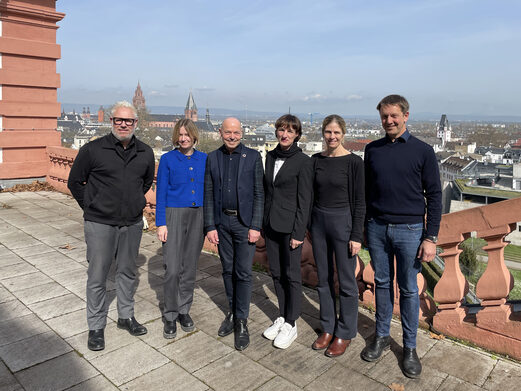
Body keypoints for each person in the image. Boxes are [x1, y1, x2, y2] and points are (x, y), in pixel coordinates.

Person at [362, 95, 442, 378]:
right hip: (377, 227)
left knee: (408, 289)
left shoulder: (423, 151)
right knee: (382, 283)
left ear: (406, 115)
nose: (389, 121)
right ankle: (382, 336)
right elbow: (367, 192)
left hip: (410, 231)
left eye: (394, 116)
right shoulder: (372, 150)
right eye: (384, 117)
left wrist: (430, 237)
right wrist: (364, 226)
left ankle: (409, 347)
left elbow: (434, 196)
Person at [68, 101, 155, 351]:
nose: (124, 124)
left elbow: (146, 183)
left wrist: (134, 202)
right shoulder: (93, 150)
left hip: (132, 223)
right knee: (97, 275)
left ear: (136, 123)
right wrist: (92, 206)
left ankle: (126, 316)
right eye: (119, 120)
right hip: (100, 223)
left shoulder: (145, 152)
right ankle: (95, 326)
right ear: (112, 121)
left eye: (128, 120)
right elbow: (75, 182)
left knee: (127, 272)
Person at [204, 117, 264, 351]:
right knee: (227, 270)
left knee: (244, 273)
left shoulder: (253, 157)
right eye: (228, 132)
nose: (232, 136)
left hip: (244, 223)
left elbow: (260, 194)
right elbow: (208, 193)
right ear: (220, 132)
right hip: (221, 223)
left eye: (236, 133)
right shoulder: (213, 157)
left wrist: (256, 226)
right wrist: (209, 226)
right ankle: (231, 311)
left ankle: (242, 320)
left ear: (242, 133)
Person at [310, 114, 365, 357]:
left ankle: (345, 332)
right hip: (319, 223)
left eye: (336, 133)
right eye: (328, 132)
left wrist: (356, 235)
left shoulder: (354, 163)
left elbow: (360, 202)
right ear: (323, 133)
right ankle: (328, 327)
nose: (332, 137)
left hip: (343, 222)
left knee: (346, 281)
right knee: (322, 278)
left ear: (343, 134)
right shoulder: (315, 161)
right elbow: (311, 196)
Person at [262, 114, 313, 349]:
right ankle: (282, 315)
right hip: (271, 225)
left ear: (297, 135)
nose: (285, 134)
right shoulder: (270, 156)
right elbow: (268, 191)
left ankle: (292, 323)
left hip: (291, 228)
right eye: (282, 130)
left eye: (290, 131)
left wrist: (298, 233)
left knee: (292, 275)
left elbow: (305, 201)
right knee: (276, 273)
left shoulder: (303, 161)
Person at [155, 119, 207, 339]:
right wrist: (161, 223)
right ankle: (170, 314)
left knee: (189, 267)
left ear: (194, 136)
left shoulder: (205, 159)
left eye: (187, 135)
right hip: (173, 215)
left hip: (198, 215)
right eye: (180, 135)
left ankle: (184, 310)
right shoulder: (168, 159)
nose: (184, 139)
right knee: (173, 268)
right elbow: (161, 193)